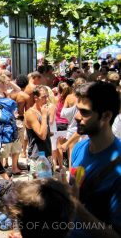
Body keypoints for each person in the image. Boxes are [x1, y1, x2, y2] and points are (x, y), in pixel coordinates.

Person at [69, 81, 121, 237]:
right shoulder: (79, 148)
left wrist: (78, 208)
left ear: (106, 116)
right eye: (77, 110)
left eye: (85, 112)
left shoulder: (118, 169)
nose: (77, 117)